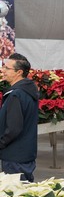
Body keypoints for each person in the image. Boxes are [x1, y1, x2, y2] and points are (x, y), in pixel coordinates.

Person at [0, 53, 39, 182]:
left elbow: (13, 128)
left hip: (14, 157)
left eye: (7, 68)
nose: (3, 70)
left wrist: (1, 143)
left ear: (19, 72)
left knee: (16, 191)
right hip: (24, 154)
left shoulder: (16, 95)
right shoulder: (27, 90)